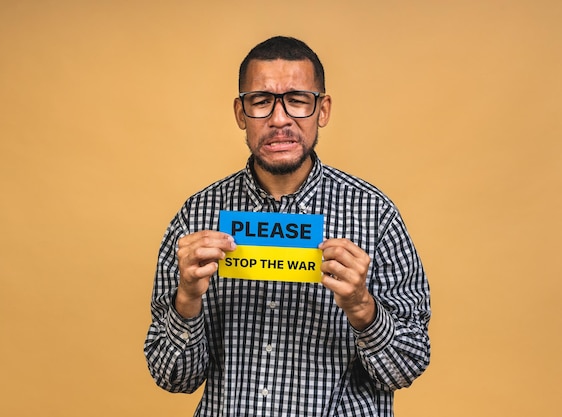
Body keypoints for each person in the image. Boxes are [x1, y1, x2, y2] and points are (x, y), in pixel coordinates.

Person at [145, 36, 431, 417]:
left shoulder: (375, 215)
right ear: (240, 113)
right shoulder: (197, 216)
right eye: (261, 101)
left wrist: (363, 308)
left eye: (297, 99)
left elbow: (406, 368)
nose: (279, 119)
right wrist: (187, 300)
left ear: (322, 109)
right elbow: (173, 378)